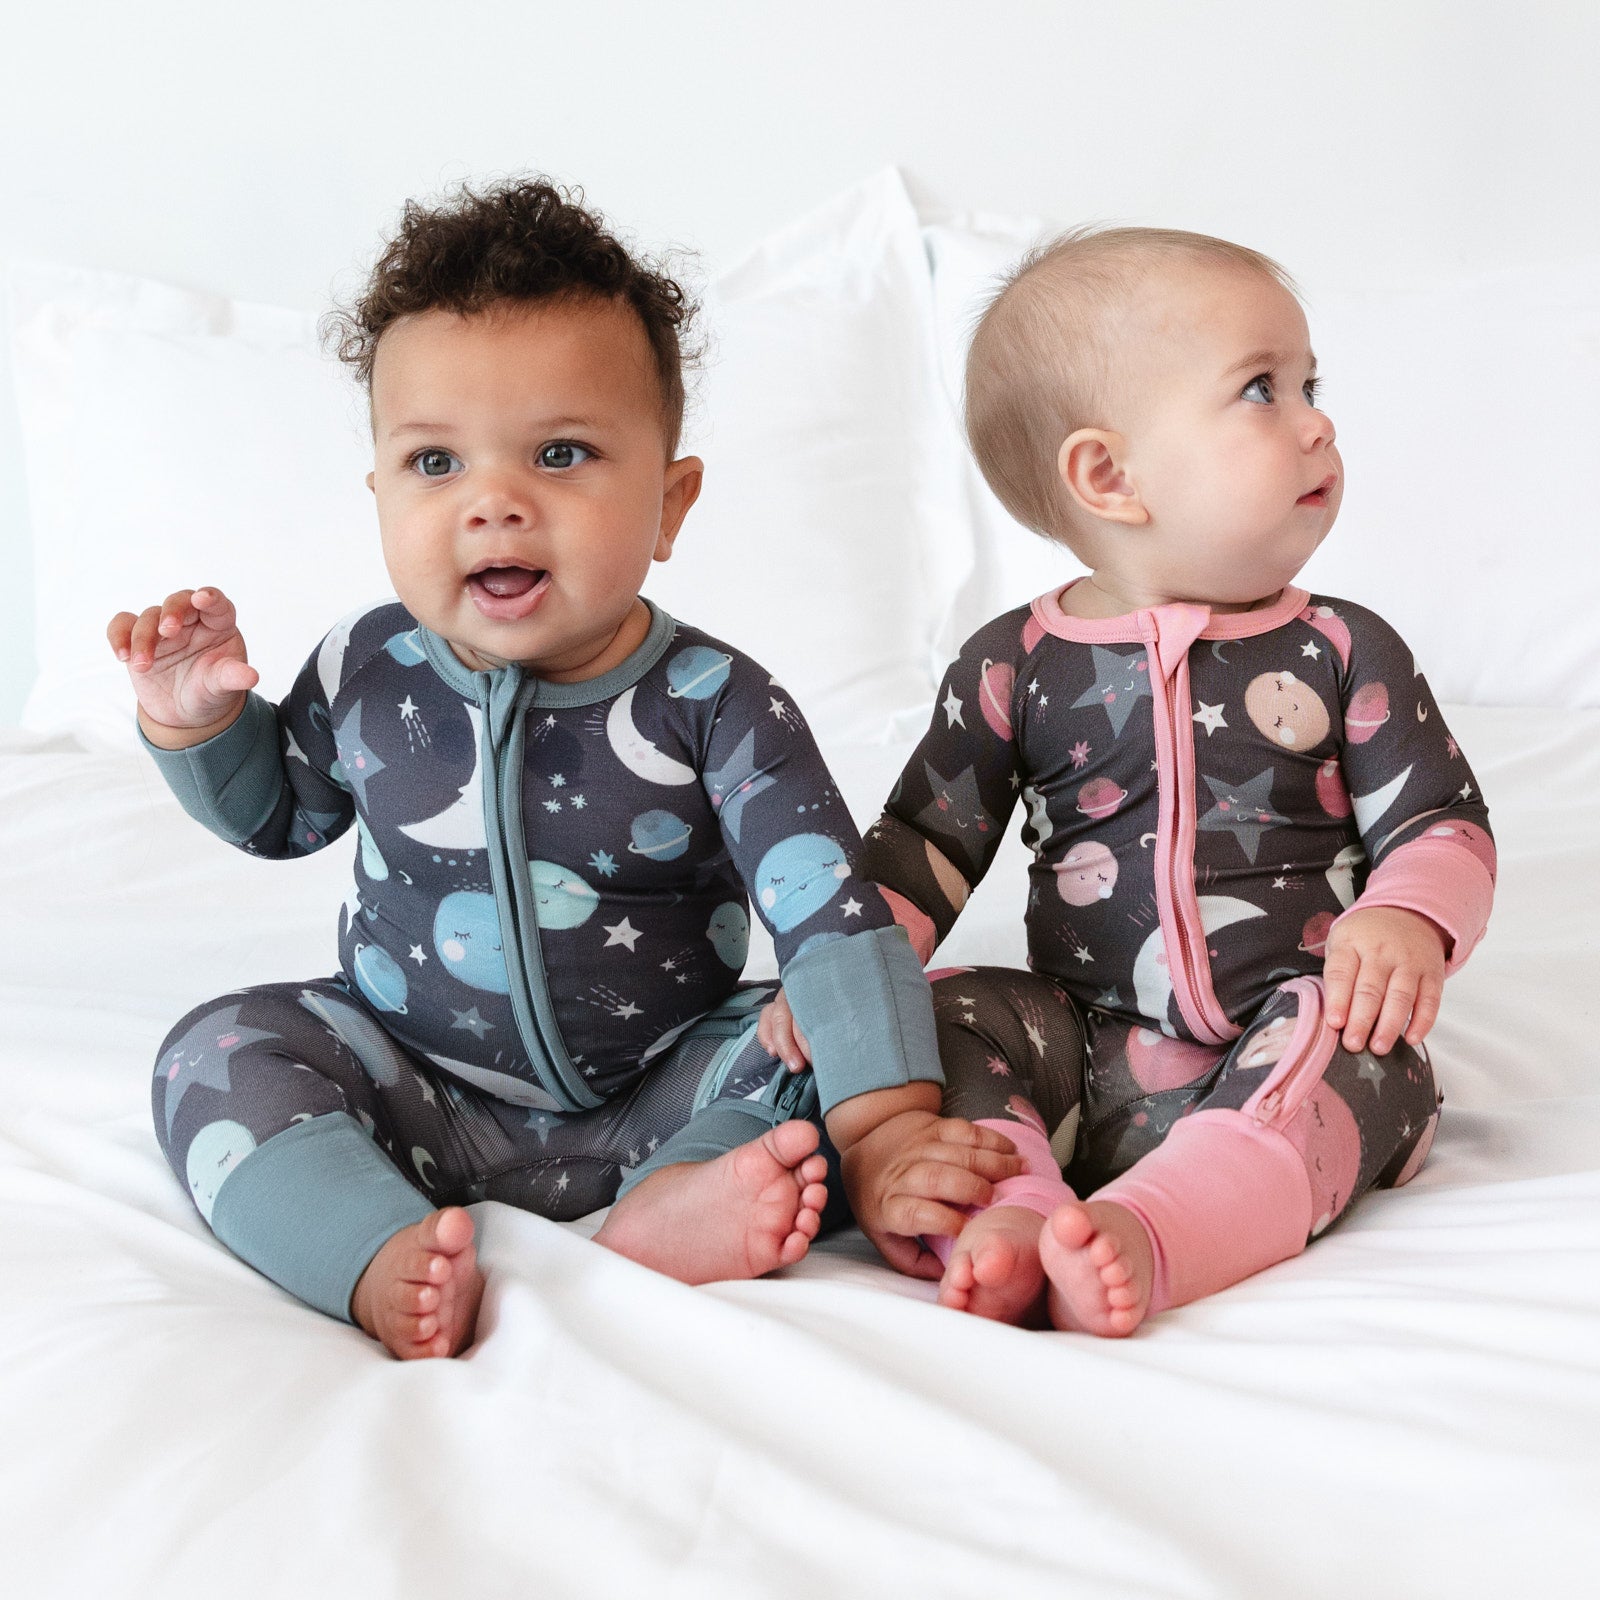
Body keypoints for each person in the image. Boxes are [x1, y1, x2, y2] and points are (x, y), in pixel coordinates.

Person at [108, 178, 1018, 1360]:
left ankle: (672, 1205)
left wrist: (886, 1131)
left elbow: (832, 925)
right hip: (411, 1075)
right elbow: (281, 817)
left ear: (669, 503)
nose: (495, 502)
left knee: (855, 1035)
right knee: (214, 1053)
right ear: (380, 493)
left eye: (561, 453)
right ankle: (372, 1249)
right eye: (435, 461)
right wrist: (197, 726)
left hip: (663, 1081)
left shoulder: (715, 703)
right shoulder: (366, 666)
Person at [761, 226, 1495, 1335]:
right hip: (1084, 1043)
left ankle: (1160, 1231)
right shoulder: (1015, 665)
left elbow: (1442, 821)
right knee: (945, 1011)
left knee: (1362, 1051)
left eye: (1310, 385)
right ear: (1109, 475)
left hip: (1283, 1034)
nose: (1317, 422)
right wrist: (844, 975)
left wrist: (1406, 918)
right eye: (1261, 389)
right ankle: (1008, 1213)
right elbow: (923, 840)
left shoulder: (1343, 650)